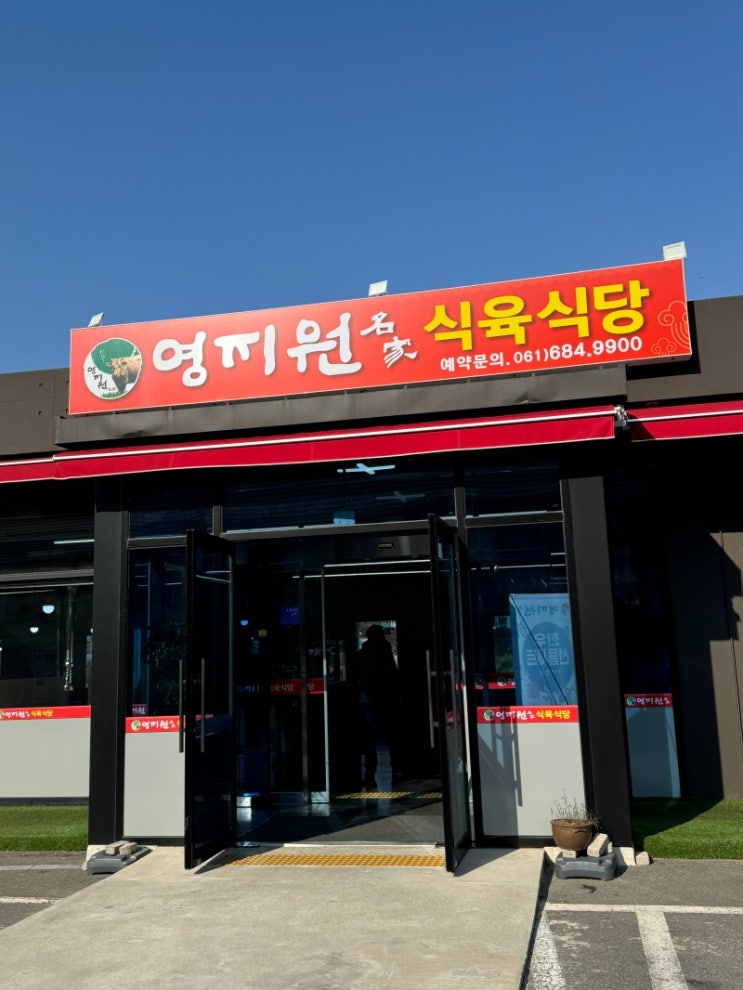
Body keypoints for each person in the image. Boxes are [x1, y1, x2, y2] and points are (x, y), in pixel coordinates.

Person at [353, 624, 405, 787]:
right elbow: (394, 675)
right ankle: (397, 770)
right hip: (387, 699)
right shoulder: (385, 652)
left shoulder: (362, 654)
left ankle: (369, 775)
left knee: (369, 738)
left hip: (367, 699)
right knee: (392, 737)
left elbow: (356, 677)